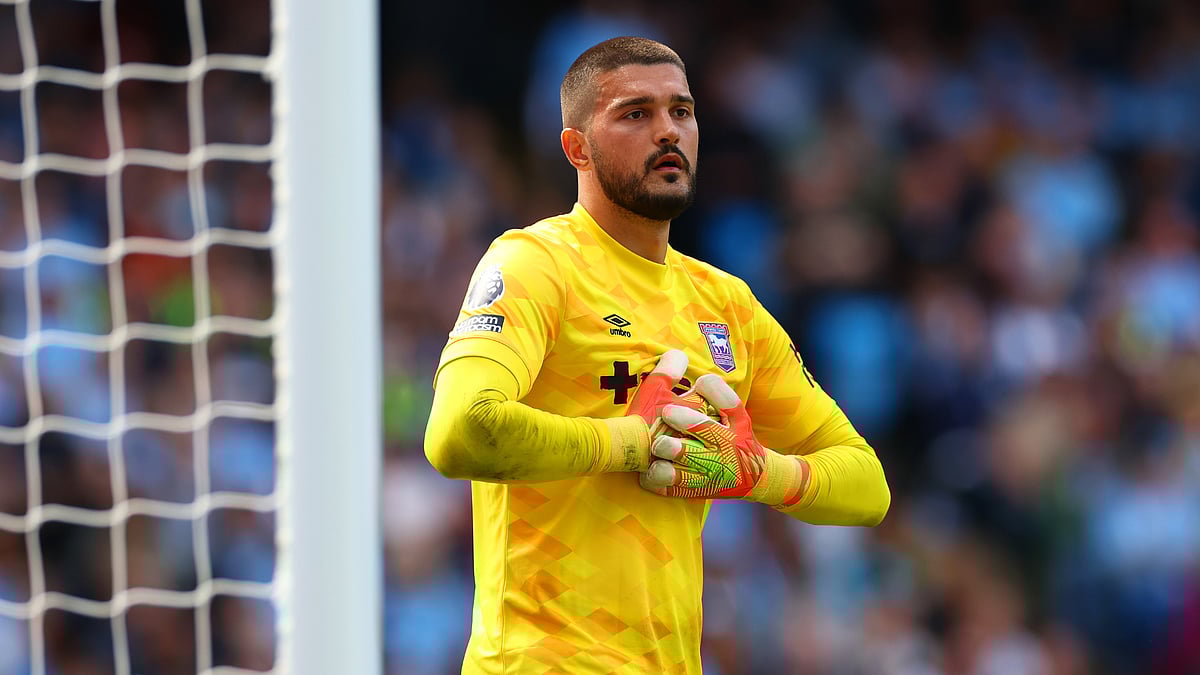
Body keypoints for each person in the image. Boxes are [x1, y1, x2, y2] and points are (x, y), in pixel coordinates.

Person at [424, 36, 890, 673]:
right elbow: (458, 432)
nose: (668, 131)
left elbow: (866, 484)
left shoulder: (724, 303)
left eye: (682, 111)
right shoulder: (537, 264)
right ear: (576, 148)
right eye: (635, 114)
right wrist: (634, 443)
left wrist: (754, 473)